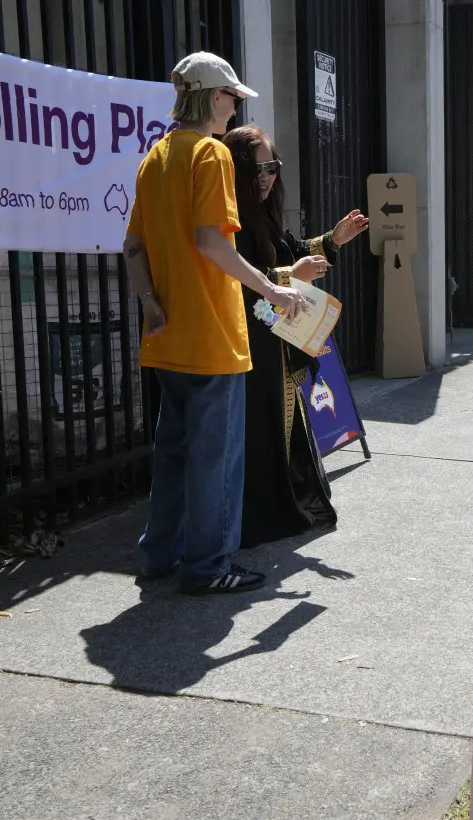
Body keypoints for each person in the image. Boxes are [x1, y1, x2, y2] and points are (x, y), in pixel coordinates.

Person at [121, 52, 306, 595]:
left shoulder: (153, 158)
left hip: (167, 336)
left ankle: (160, 555)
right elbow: (211, 241)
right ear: (212, 97)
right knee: (215, 460)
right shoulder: (211, 154)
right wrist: (272, 288)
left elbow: (133, 246)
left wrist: (151, 303)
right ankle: (208, 567)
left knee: (174, 452)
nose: (234, 106)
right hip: (213, 338)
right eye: (231, 97)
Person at [221, 125, 369, 549]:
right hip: (251, 343)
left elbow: (289, 251)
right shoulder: (229, 219)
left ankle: (283, 505)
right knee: (261, 428)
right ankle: (258, 517)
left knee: (285, 427)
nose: (266, 177)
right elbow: (236, 280)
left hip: (277, 339)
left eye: (272, 167)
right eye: (256, 168)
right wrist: (289, 277)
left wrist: (331, 240)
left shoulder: (264, 213)